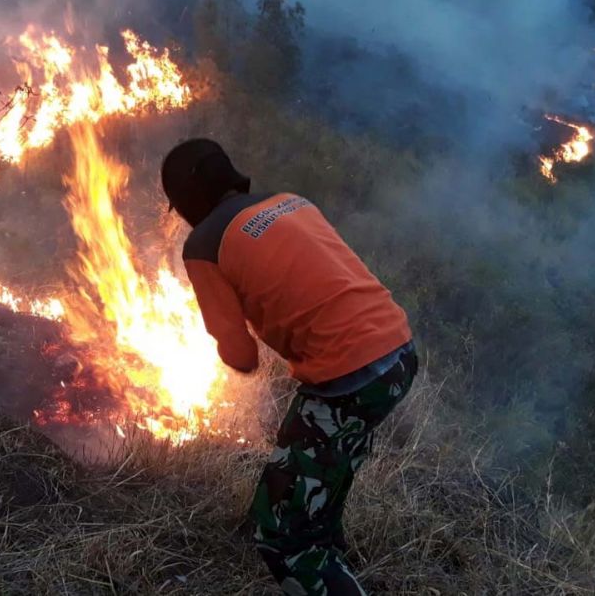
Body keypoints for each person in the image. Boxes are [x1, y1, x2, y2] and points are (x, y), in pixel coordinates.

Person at [161, 139, 417, 595]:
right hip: (398, 352)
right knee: (327, 470)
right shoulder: (290, 201)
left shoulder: (204, 244)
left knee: (281, 536)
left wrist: (229, 334)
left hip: (348, 376)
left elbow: (242, 357)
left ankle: (315, 562)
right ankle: (330, 551)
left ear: (183, 201)